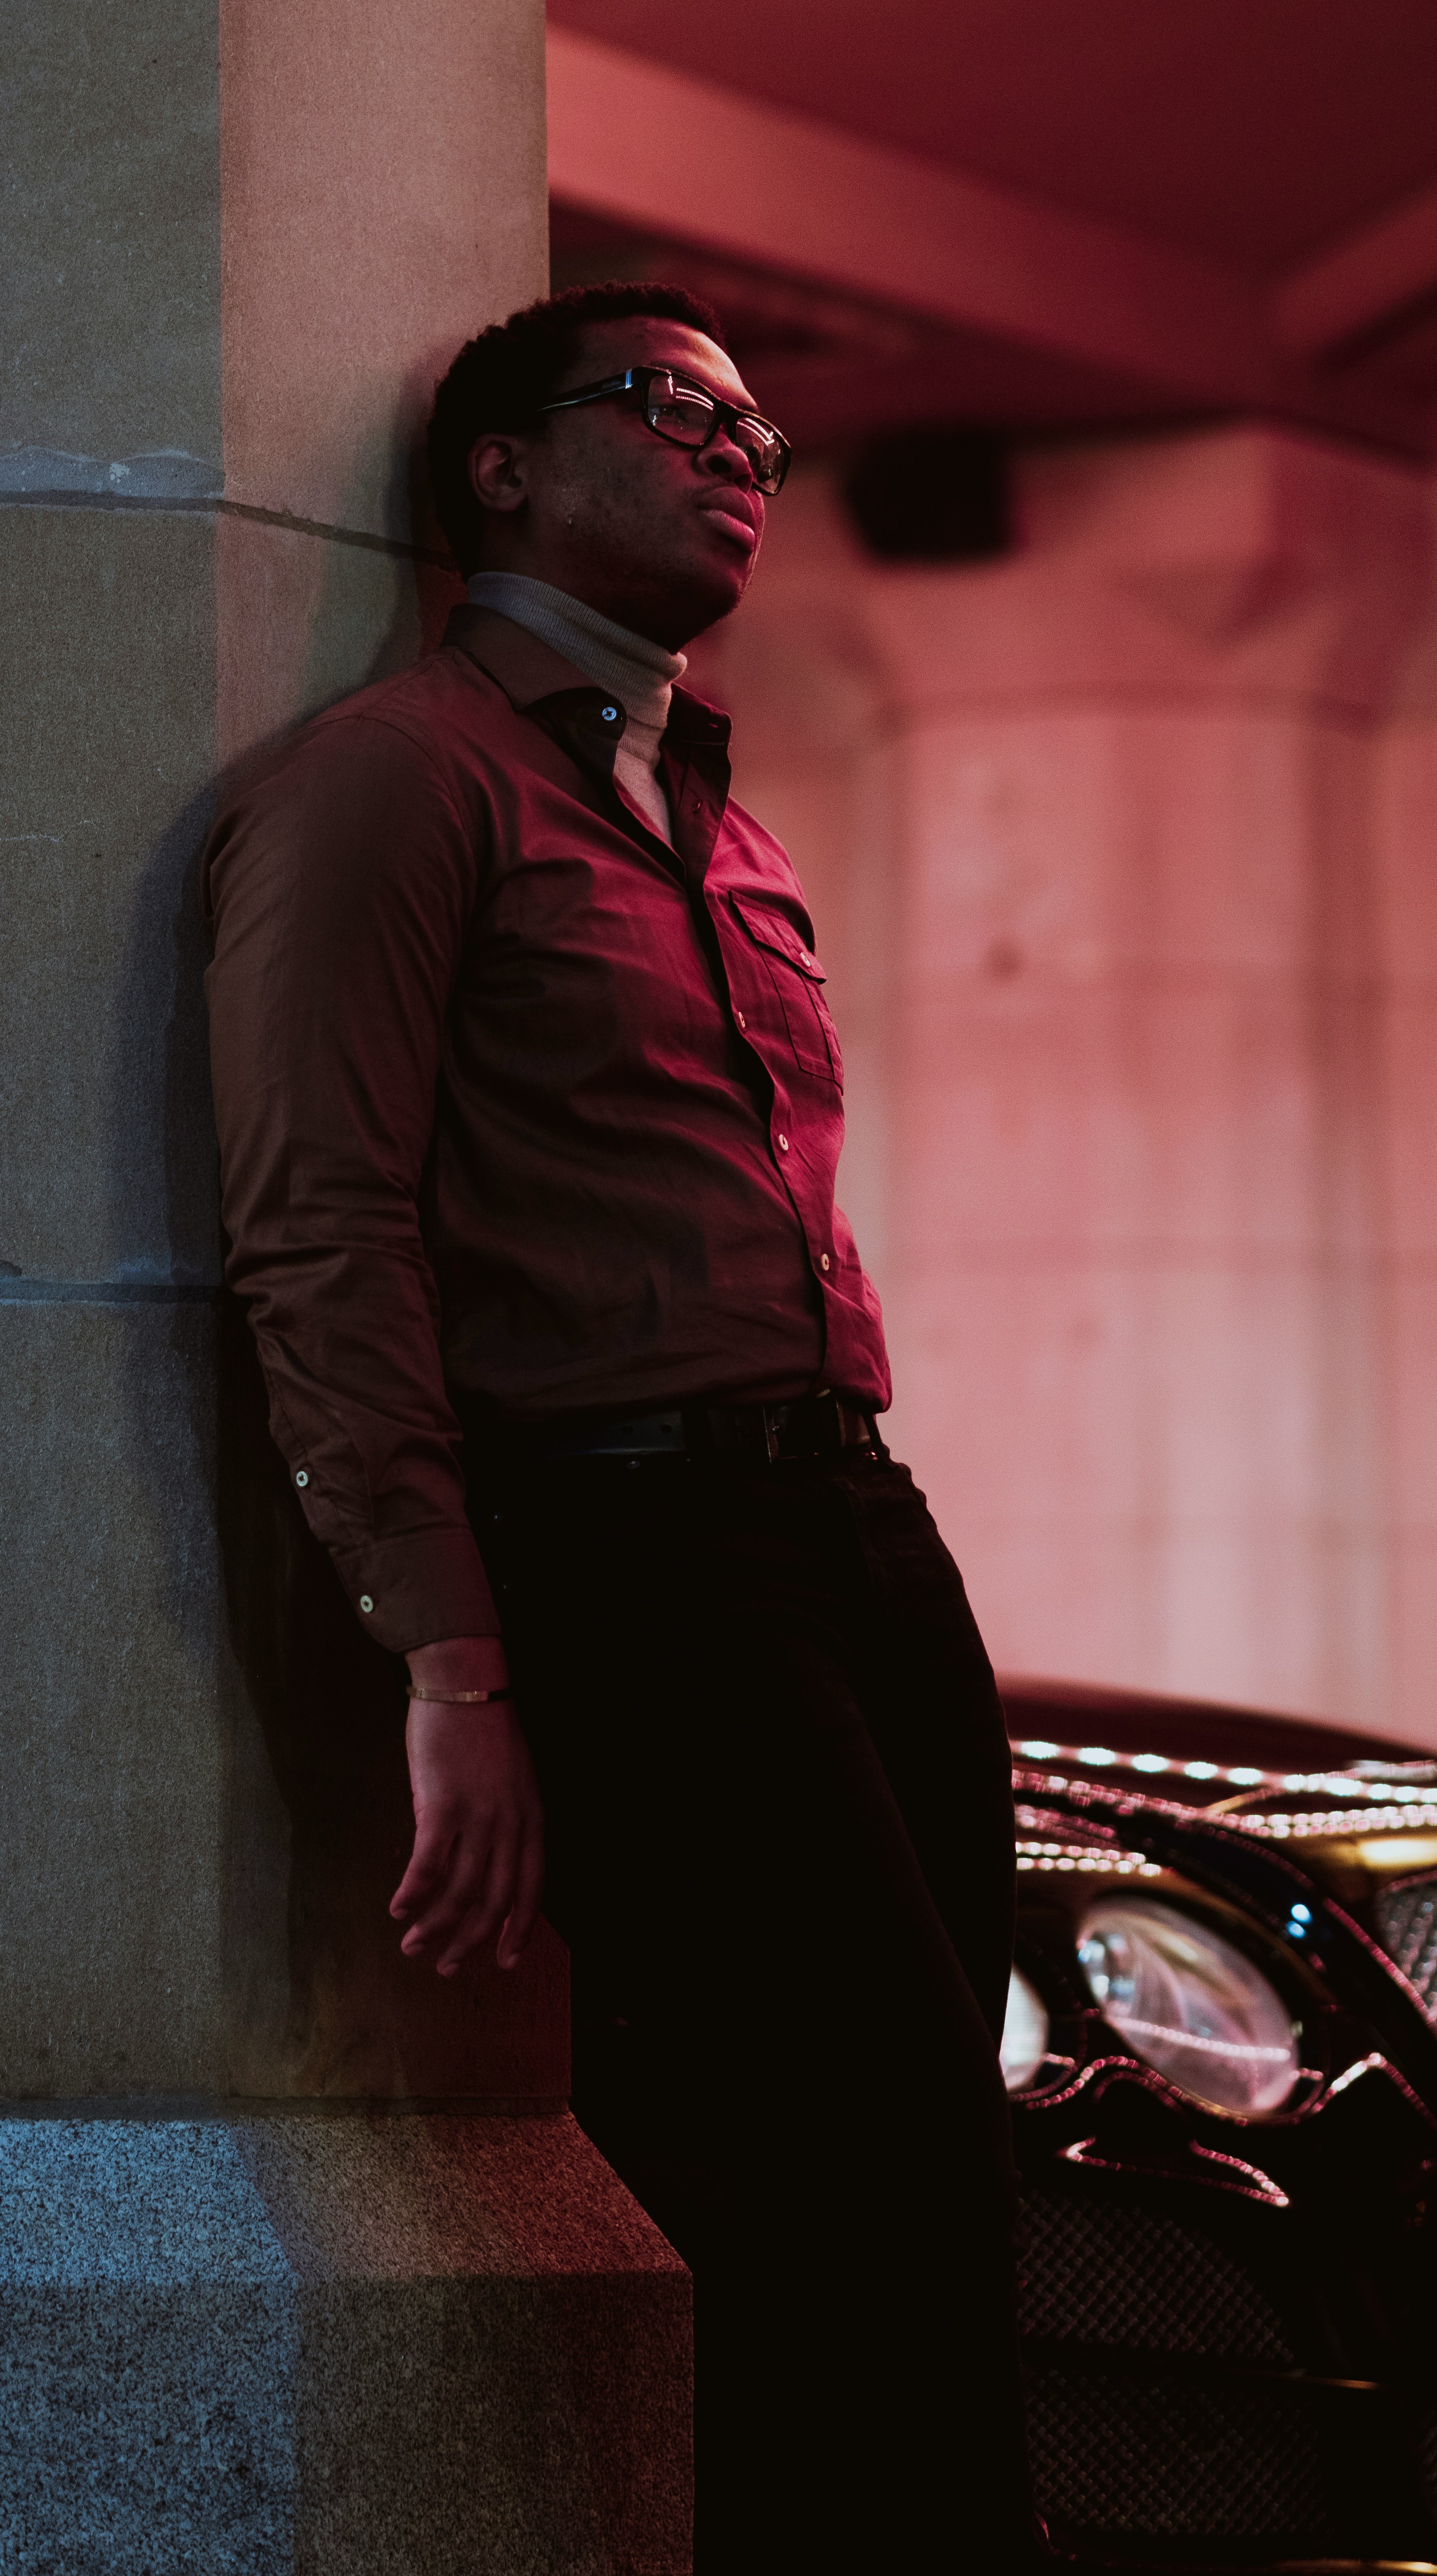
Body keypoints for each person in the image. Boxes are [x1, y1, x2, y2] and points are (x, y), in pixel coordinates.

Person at [202, 281, 1037, 2572]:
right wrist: (451, 1656)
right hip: (632, 1544)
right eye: (674, 408)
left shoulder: (711, 807)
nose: (740, 449)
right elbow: (323, 1229)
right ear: (497, 465)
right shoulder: (400, 778)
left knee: (930, 2144)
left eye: (763, 425)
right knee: (840, 2156)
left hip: (846, 1513)